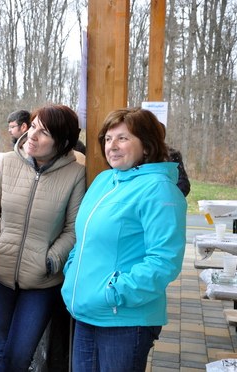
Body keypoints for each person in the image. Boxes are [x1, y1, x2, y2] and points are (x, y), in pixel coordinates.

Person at [61, 108, 187, 372]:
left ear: (147, 146)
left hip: (124, 317)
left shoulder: (159, 189)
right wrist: (72, 269)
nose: (112, 146)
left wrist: (114, 292)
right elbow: (83, 237)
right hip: (86, 311)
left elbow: (164, 261)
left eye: (123, 138)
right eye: (108, 139)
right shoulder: (104, 179)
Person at [0, 104, 86, 372]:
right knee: (2, 345)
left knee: (19, 353)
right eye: (33, 126)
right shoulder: (9, 162)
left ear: (62, 142)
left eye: (44, 132)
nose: (32, 136)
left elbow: (74, 228)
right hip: (0, 270)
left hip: (42, 280)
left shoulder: (76, 174)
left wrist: (50, 261)